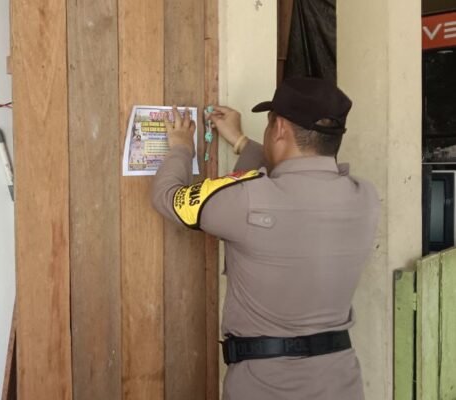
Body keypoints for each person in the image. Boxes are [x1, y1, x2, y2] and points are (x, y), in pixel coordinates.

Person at [151, 77, 380, 400]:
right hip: (340, 383)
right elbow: (279, 185)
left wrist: (181, 148)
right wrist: (242, 142)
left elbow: (167, 196)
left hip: (264, 386)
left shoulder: (247, 200)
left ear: (280, 128)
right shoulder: (365, 197)